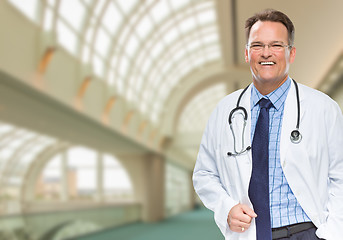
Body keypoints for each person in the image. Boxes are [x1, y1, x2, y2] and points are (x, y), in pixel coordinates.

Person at [193, 9, 343, 240]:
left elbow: (340, 175)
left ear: (291, 53)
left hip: (307, 232)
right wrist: (226, 207)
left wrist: (332, 233)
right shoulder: (225, 110)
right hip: (249, 233)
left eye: (276, 45)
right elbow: (204, 174)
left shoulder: (323, 108)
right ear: (246, 54)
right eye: (257, 45)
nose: (266, 53)